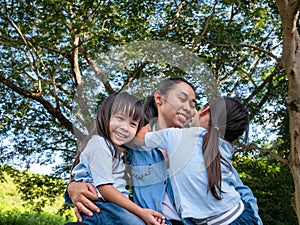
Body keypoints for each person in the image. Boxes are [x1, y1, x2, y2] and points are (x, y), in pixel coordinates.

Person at [65, 78, 262, 225]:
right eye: (182, 99)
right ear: (159, 98)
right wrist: (73, 187)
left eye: (193, 104)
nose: (188, 108)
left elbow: (242, 191)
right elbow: (96, 159)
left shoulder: (200, 144)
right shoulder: (132, 138)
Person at [135, 97, 259, 224]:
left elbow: (138, 138)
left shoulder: (177, 136)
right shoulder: (223, 149)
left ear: (205, 111)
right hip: (242, 214)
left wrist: (157, 121)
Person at [68, 91, 165, 225]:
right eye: (119, 118)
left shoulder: (119, 151)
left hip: (113, 209)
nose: (125, 128)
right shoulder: (100, 144)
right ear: (105, 116)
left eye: (133, 124)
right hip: (104, 208)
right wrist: (141, 212)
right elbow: (105, 188)